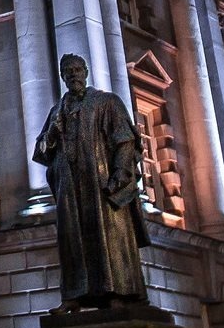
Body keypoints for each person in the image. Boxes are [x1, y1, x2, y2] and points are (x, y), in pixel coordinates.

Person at [33, 53, 152, 310]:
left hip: (101, 184)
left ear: (85, 71)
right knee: (73, 241)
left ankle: (117, 291)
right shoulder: (57, 111)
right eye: (68, 71)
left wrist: (120, 175)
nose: (73, 74)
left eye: (77, 69)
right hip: (70, 188)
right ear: (63, 77)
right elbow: (41, 152)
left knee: (109, 238)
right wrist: (52, 133)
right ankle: (74, 295)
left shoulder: (107, 102)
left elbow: (125, 141)